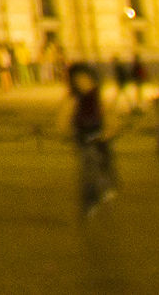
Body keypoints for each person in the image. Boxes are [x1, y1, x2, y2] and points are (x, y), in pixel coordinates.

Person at [67, 63, 118, 217]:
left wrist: (109, 131)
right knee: (89, 172)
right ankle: (90, 202)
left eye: (84, 79)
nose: (82, 83)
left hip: (100, 138)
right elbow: (63, 118)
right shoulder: (74, 98)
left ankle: (103, 191)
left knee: (104, 166)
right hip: (83, 139)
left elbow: (110, 115)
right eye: (78, 80)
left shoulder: (99, 96)